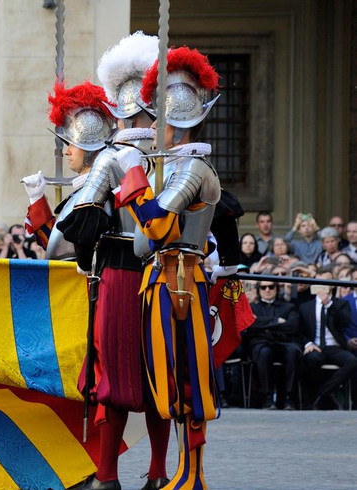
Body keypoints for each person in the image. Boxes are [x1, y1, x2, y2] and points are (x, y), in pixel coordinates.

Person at [58, 32, 171, 490]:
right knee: (160, 372)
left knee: (114, 375)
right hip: (168, 274)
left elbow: (80, 225)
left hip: (120, 275)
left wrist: (89, 256)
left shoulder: (109, 160)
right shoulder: (176, 158)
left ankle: (106, 476)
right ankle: (160, 472)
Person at [113, 45, 221, 488]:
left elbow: (156, 225)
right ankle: (182, 471)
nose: (152, 129)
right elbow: (145, 241)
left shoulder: (192, 168)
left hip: (182, 282)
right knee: (172, 381)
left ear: (177, 125)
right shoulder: (176, 167)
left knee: (189, 380)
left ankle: (192, 475)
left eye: (159, 122)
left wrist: (134, 177)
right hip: (163, 276)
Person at [22, 79, 115, 261]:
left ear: (90, 147)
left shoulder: (101, 195)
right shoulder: (80, 192)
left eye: (74, 144)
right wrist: (37, 199)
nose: (67, 151)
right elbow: (57, 244)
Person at [299, 271, 357, 409]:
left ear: (333, 284)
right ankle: (319, 397)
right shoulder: (305, 306)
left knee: (352, 361)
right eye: (319, 281)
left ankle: (323, 394)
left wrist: (329, 304)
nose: (322, 284)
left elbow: (345, 321)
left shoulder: (341, 304)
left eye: (326, 281)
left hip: (335, 347)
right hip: (315, 346)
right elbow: (299, 330)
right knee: (312, 360)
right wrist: (308, 343)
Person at [244, 281, 302, 410]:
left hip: (285, 342)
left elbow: (293, 327)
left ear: (277, 289)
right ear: (258, 290)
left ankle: (289, 398)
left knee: (293, 352)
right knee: (264, 352)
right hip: (261, 343)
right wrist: (276, 321)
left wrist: (264, 326)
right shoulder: (252, 307)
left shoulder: (289, 307)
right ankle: (267, 397)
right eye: (263, 287)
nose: (267, 290)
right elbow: (251, 324)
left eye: (271, 287)